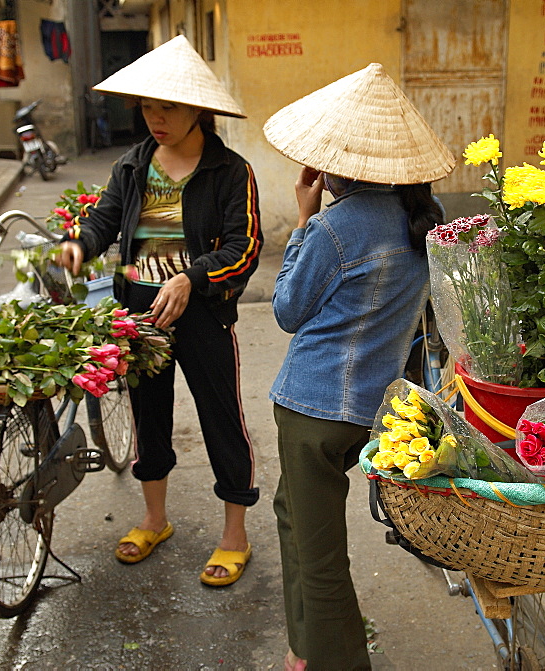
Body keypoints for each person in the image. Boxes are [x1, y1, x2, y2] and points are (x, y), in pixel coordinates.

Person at [262, 63, 456, 669]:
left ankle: (333, 658)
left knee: (318, 555)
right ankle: (305, 648)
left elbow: (287, 311)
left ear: (334, 165)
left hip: (311, 409)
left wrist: (301, 219)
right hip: (376, 410)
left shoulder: (331, 228)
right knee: (292, 515)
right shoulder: (424, 220)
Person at [54, 35, 263, 587]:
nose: (156, 118)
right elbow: (104, 221)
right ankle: (153, 518)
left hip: (202, 315)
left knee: (221, 418)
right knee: (149, 416)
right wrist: (81, 245)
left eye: (167, 107)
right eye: (148, 106)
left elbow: (243, 248)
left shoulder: (229, 172)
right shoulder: (132, 165)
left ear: (198, 109)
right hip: (140, 317)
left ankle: (234, 534)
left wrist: (193, 280)